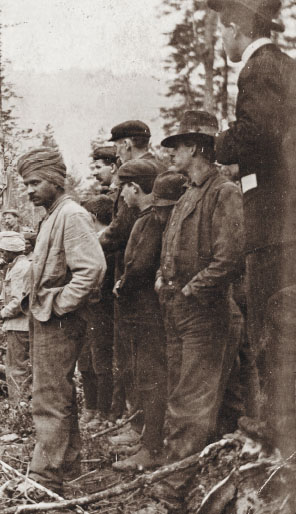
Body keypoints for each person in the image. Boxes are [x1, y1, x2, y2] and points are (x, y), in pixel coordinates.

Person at [210, 0, 296, 456]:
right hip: (286, 220)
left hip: (273, 222)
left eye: (223, 29)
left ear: (236, 27)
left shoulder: (258, 69)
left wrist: (222, 141)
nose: (221, 39)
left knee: (270, 324)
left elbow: (255, 134)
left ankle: (275, 427)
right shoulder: (284, 66)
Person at [152, 110, 244, 502]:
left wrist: (192, 290)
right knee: (185, 396)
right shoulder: (189, 191)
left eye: (176, 146)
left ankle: (170, 493)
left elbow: (230, 257)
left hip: (206, 312)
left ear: (194, 147)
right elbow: (171, 248)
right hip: (178, 310)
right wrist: (162, 278)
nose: (171, 153)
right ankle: (202, 486)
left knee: (191, 403)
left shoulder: (224, 192)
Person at [17, 147, 106, 493]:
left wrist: (60, 305)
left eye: (35, 182)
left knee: (49, 396)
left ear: (56, 180)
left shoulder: (71, 215)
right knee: (57, 392)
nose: (29, 190)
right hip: (47, 317)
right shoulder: (54, 215)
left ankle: (45, 475)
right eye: (26, 183)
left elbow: (92, 269)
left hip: (59, 320)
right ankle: (67, 463)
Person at [110, 162, 182, 471]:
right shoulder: (146, 218)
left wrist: (121, 284)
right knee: (144, 375)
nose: (121, 195)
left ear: (134, 188)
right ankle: (147, 441)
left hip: (147, 314)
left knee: (151, 376)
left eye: (123, 188)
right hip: (141, 313)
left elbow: (139, 266)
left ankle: (153, 447)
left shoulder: (151, 221)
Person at [102, 120, 165, 425]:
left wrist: (88, 245)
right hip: (134, 274)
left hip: (137, 282)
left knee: (138, 359)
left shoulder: (140, 173)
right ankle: (136, 420)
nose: (116, 153)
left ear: (126, 144)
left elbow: (121, 229)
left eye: (117, 146)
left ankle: (138, 422)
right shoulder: (150, 168)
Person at [77, 195, 116, 430]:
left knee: (101, 362)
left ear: (91, 218)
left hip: (102, 311)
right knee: (85, 361)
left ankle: (103, 411)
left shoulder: (108, 244)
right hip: (86, 311)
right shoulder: (91, 243)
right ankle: (90, 408)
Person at [0, 231, 32, 404]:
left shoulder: (19, 269)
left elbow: (19, 301)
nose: (2, 255)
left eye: (4, 252)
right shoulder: (19, 266)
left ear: (11, 252)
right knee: (20, 366)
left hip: (19, 325)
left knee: (16, 367)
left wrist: (3, 313)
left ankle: (17, 404)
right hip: (20, 324)